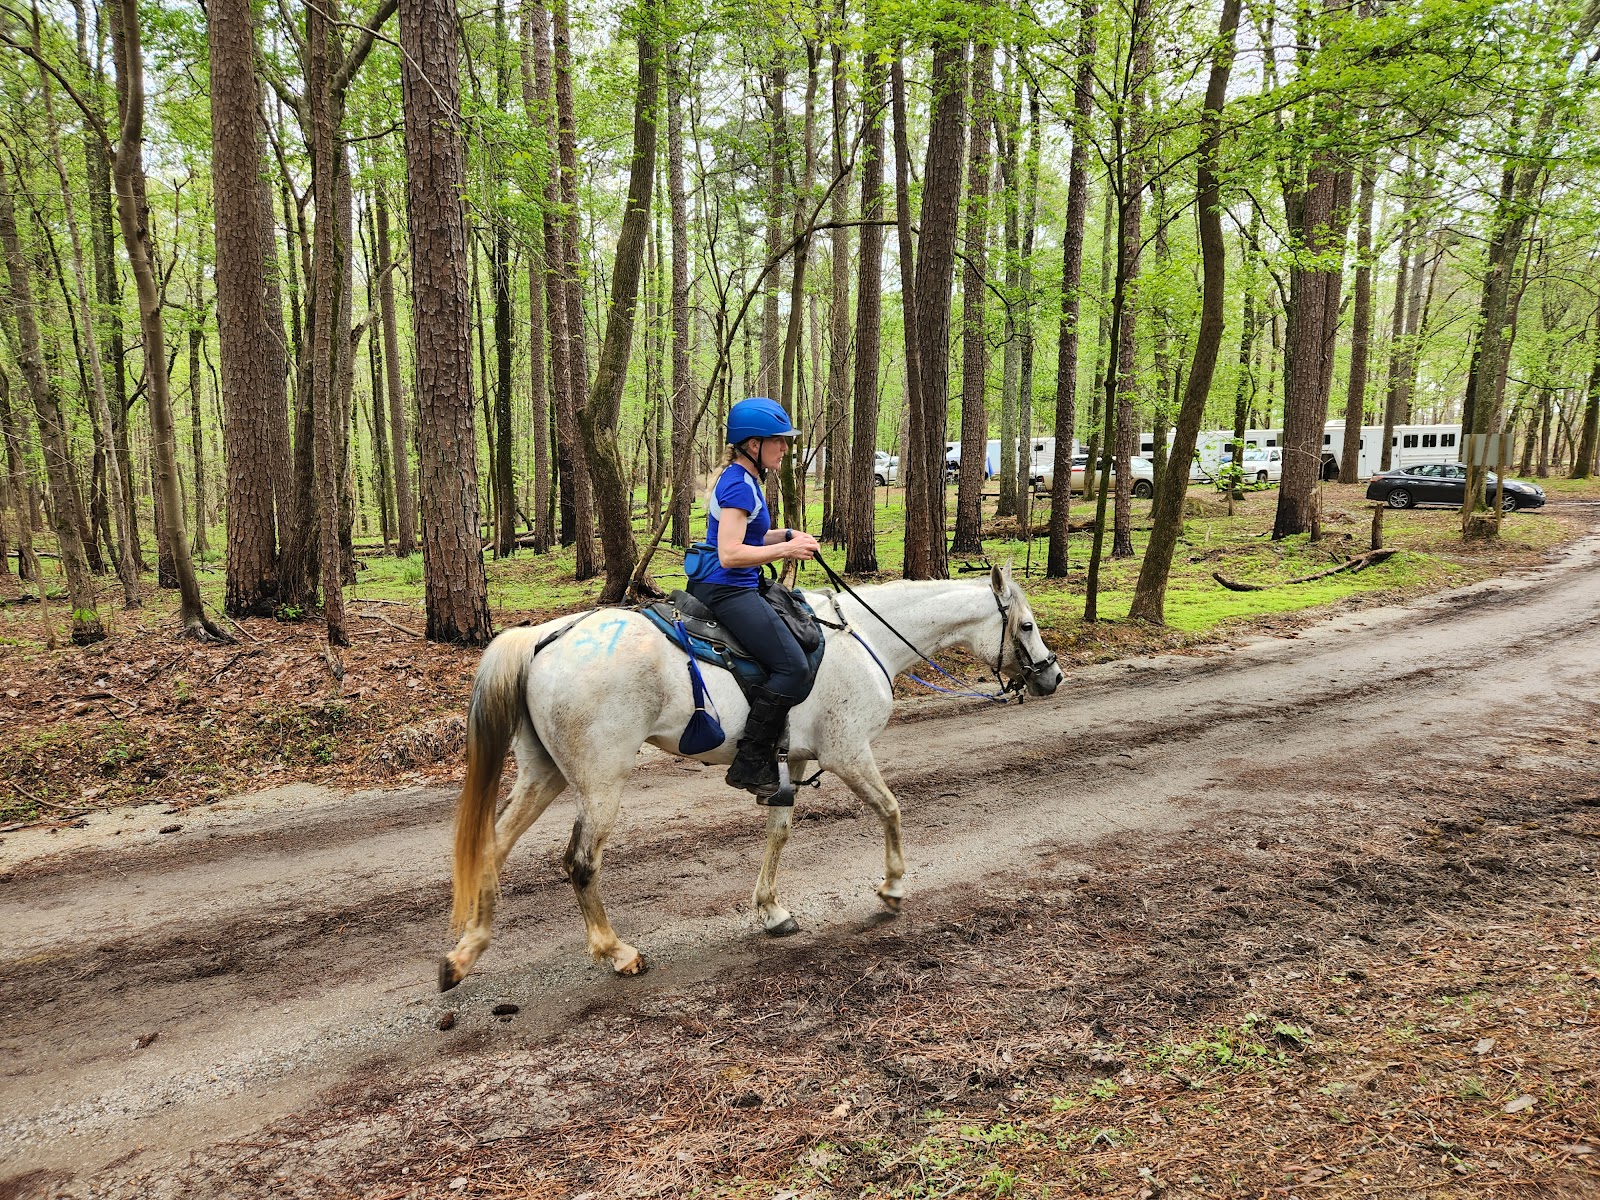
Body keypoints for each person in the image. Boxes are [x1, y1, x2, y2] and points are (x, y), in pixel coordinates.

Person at [687, 397, 820, 801]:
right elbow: (730, 553)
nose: (785, 448)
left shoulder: (745, 480)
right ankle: (752, 761)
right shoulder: (737, 484)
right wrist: (786, 551)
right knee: (792, 668)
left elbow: (751, 537)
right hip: (727, 588)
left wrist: (787, 535)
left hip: (738, 583)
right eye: (778, 440)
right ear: (753, 444)